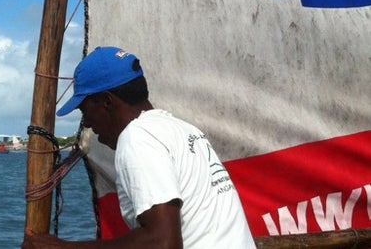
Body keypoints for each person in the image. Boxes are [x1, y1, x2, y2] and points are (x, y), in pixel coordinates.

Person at [22, 46, 255, 248]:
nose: (88, 124)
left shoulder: (137, 138)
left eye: (85, 112)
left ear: (106, 102)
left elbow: (162, 243)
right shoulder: (183, 129)